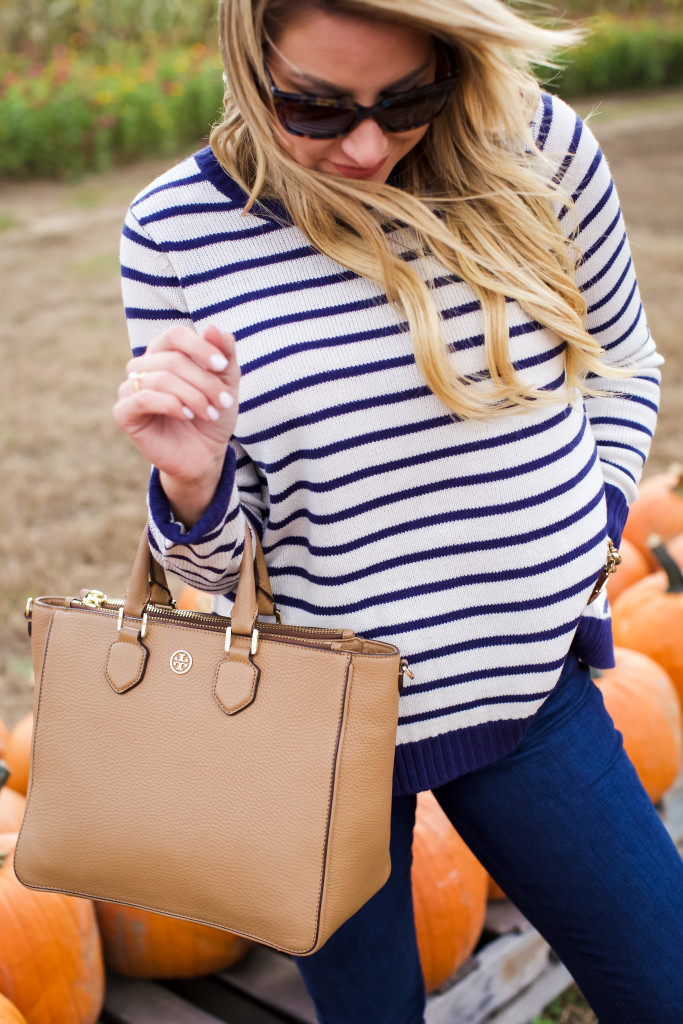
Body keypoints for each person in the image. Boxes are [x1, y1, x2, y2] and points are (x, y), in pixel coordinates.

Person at [113, 0, 683, 1020]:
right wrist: (192, 487)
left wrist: (583, 529)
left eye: (407, 97)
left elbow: (622, 360)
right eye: (315, 108)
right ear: (251, 60)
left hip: (527, 689)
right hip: (312, 740)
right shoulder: (174, 233)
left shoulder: (539, 149)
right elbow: (208, 580)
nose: (367, 145)